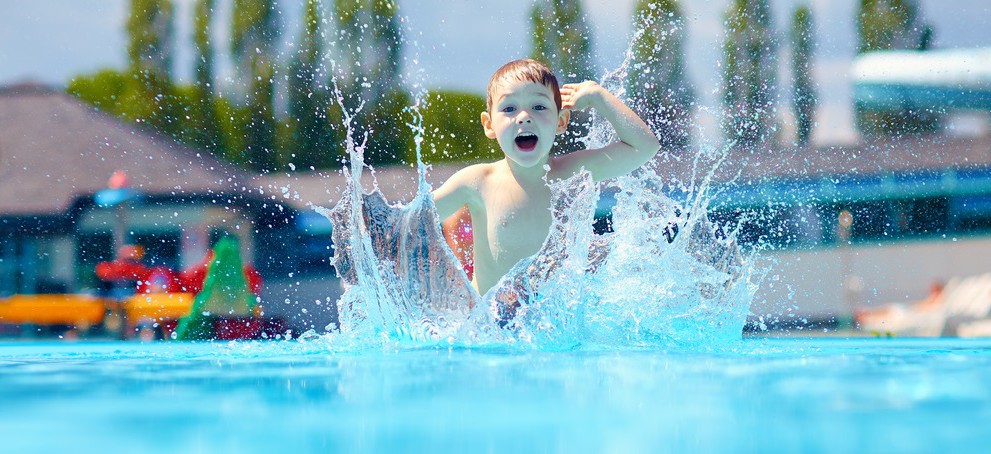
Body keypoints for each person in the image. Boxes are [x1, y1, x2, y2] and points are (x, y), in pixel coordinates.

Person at [432, 58, 660, 295]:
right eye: (509, 109)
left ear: (561, 121)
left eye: (539, 107)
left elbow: (645, 147)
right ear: (489, 125)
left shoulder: (572, 172)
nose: (524, 117)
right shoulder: (477, 182)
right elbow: (413, 220)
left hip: (550, 323)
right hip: (491, 324)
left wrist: (598, 96)